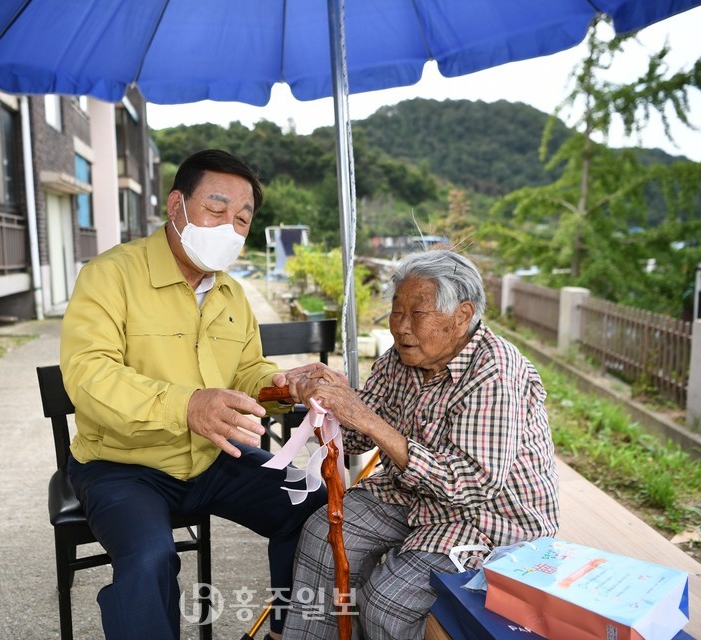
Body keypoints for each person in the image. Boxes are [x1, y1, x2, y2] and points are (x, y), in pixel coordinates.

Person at [60, 149, 327, 640]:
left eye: (242, 219)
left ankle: (290, 631)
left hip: (209, 459)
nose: (229, 227)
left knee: (312, 506)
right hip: (121, 463)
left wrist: (286, 385)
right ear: (176, 205)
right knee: (149, 559)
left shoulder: (230, 294)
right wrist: (186, 405)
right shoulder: (111, 275)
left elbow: (248, 372)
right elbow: (88, 376)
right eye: (217, 209)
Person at [277, 249, 560, 640]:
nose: (401, 327)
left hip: (485, 517)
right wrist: (334, 396)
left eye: (418, 313)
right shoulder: (401, 358)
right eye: (396, 311)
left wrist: (365, 417)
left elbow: (470, 483)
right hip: (409, 495)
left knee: (389, 602)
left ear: (462, 316)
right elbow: (359, 437)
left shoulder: (495, 372)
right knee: (321, 534)